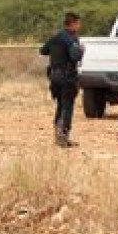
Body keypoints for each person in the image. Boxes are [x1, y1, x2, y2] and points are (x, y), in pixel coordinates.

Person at [40, 12, 85, 147]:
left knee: (60, 105)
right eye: (78, 23)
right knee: (67, 106)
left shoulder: (55, 37)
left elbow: (43, 50)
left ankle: (58, 135)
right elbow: (75, 57)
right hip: (67, 77)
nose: (79, 26)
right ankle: (63, 136)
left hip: (54, 76)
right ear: (73, 24)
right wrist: (81, 50)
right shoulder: (71, 39)